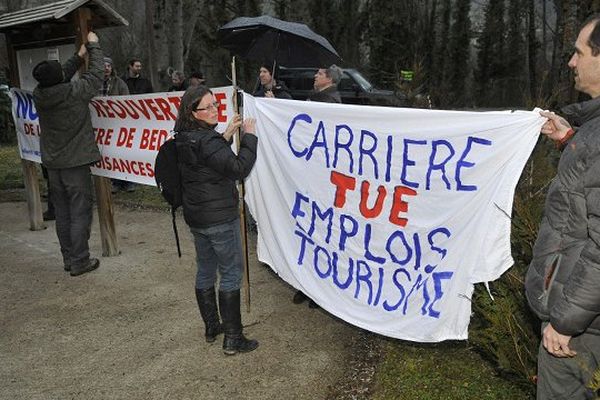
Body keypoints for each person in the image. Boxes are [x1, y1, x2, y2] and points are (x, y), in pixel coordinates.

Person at [525, 14, 600, 400]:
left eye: (579, 52)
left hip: (583, 331)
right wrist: (568, 137)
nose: (571, 62)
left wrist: (566, 322)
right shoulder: (593, 132)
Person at [173, 85, 259, 355]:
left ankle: (212, 326)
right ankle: (233, 338)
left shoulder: (185, 136)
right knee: (232, 273)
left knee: (206, 270)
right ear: (192, 111)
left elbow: (206, 160)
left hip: (198, 218)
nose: (214, 110)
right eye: (207, 107)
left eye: (215, 104)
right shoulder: (207, 140)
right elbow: (237, 169)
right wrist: (249, 138)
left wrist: (225, 135)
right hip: (220, 217)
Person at [32, 31, 103, 277]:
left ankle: (69, 258)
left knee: (62, 213)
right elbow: (96, 76)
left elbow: (58, 75)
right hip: (75, 164)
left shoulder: (40, 94)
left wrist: (78, 56)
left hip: (53, 164)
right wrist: (93, 47)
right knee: (80, 211)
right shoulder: (73, 93)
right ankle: (80, 261)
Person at [293, 64, 343, 308]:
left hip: (322, 180)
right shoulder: (316, 99)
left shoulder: (330, 102)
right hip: (310, 176)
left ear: (330, 79)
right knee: (307, 231)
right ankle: (306, 284)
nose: (314, 75)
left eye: (319, 73)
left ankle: (318, 289)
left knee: (321, 231)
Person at [100, 57, 131, 193]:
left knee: (123, 152)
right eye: (104, 65)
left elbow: (127, 101)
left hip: (118, 124)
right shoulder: (95, 83)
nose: (106, 68)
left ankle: (128, 181)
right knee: (108, 154)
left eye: (108, 66)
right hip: (102, 124)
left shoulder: (120, 83)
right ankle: (115, 182)